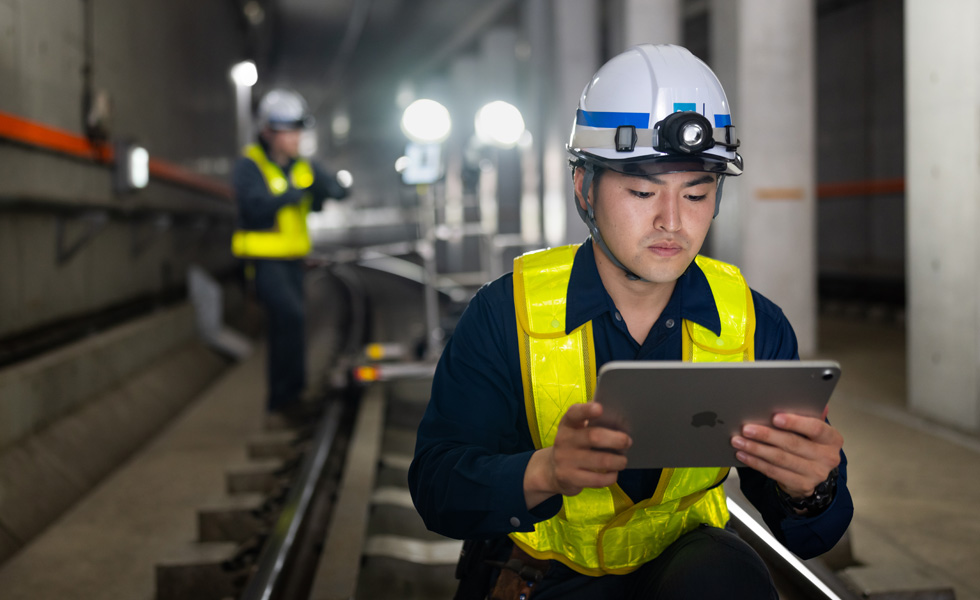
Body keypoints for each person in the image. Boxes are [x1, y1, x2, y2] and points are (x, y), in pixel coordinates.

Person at [409, 44, 852, 599]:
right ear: (584, 189)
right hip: (538, 578)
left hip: (687, 574)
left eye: (696, 193)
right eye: (642, 191)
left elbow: (812, 532)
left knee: (728, 576)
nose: (672, 221)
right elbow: (436, 487)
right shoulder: (507, 315)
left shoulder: (752, 324)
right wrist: (543, 472)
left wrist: (812, 487)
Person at [231, 88, 350, 424]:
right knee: (290, 319)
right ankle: (282, 401)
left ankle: (290, 398)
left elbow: (338, 189)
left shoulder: (303, 167)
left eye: (299, 130)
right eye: (289, 130)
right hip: (264, 262)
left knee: (293, 324)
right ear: (268, 132)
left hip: (293, 262)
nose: (296, 137)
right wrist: (296, 193)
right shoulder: (249, 166)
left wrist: (328, 189)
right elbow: (253, 207)